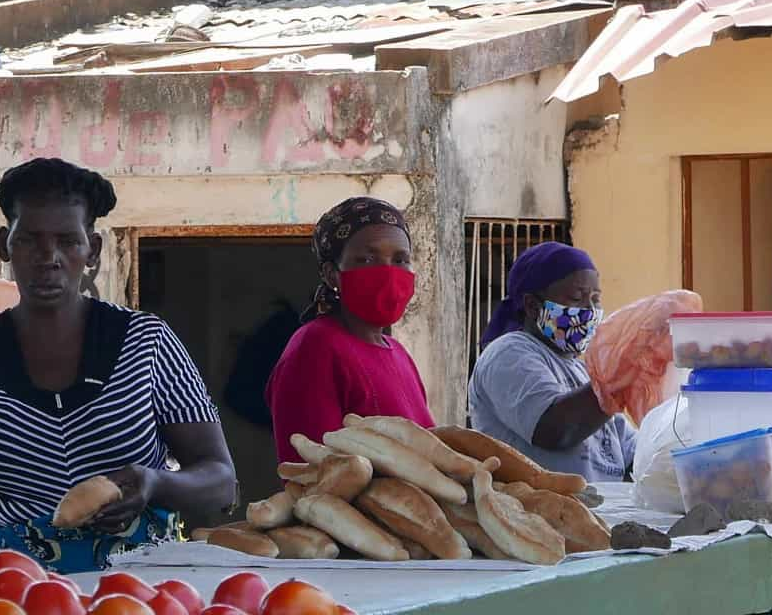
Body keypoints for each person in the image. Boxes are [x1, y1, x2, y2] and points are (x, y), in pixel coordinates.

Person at [0, 158, 236, 573]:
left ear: (92, 249)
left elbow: (220, 482)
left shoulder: (148, 344)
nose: (48, 257)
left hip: (137, 595)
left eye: (67, 241)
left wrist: (155, 483)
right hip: (6, 595)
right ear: (5, 244)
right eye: (29, 241)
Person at [266, 197, 434, 465]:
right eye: (368, 258)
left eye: (400, 259)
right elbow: (314, 472)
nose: (388, 272)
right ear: (332, 274)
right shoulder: (314, 348)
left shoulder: (398, 352)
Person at [468, 242, 635, 482]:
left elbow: (631, 454)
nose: (589, 310)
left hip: (598, 514)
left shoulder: (583, 371)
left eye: (595, 299)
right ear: (533, 306)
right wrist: (618, 378)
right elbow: (555, 431)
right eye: (577, 298)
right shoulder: (508, 354)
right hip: (537, 514)